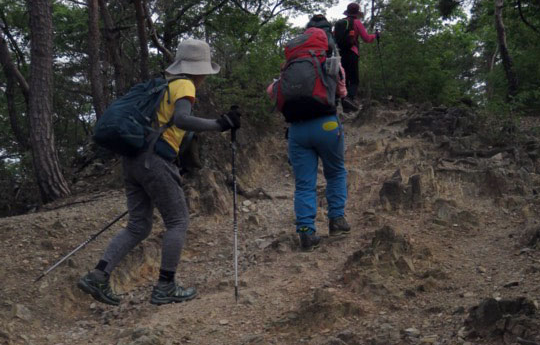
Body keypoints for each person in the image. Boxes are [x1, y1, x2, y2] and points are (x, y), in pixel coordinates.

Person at [78, 39, 240, 307]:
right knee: (178, 221)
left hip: (133, 161)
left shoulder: (165, 86)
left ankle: (98, 275)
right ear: (199, 69)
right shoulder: (186, 85)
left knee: (138, 226)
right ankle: (165, 286)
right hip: (154, 161)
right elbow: (182, 120)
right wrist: (219, 124)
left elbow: (173, 129)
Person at [268, 27, 350, 251]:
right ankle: (337, 220)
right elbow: (342, 92)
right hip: (327, 125)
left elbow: (272, 92)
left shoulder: (289, 68)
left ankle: (306, 232)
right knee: (336, 172)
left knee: (304, 183)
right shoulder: (328, 62)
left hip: (297, 130)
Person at [335, 2, 379, 104]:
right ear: (357, 12)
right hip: (352, 53)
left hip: (340, 54)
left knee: (344, 77)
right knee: (354, 79)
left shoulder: (341, 23)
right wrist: (375, 36)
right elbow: (367, 38)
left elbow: (334, 37)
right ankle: (350, 99)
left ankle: (343, 100)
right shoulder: (357, 22)